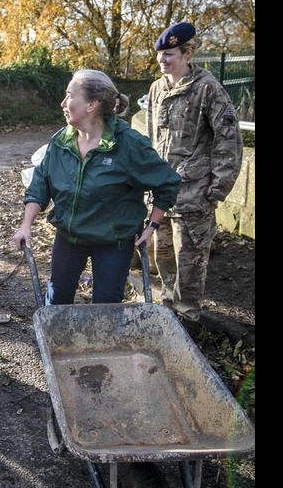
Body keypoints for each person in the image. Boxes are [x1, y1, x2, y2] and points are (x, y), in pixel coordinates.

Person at [14, 69, 180, 305]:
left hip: (113, 242)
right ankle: (60, 342)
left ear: (91, 104)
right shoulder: (61, 141)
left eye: (70, 96)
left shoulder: (129, 145)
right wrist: (25, 225)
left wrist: (151, 226)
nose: (63, 103)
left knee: (107, 308)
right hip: (69, 238)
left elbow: (167, 183)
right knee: (57, 302)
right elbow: (40, 183)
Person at [144, 22, 244, 322]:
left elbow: (229, 139)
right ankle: (167, 314)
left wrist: (217, 190)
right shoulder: (156, 88)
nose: (163, 60)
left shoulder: (208, 88)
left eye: (170, 54)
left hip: (194, 194)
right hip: (162, 193)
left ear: (188, 53)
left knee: (190, 262)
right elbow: (151, 139)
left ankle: (188, 319)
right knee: (163, 257)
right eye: (160, 54)